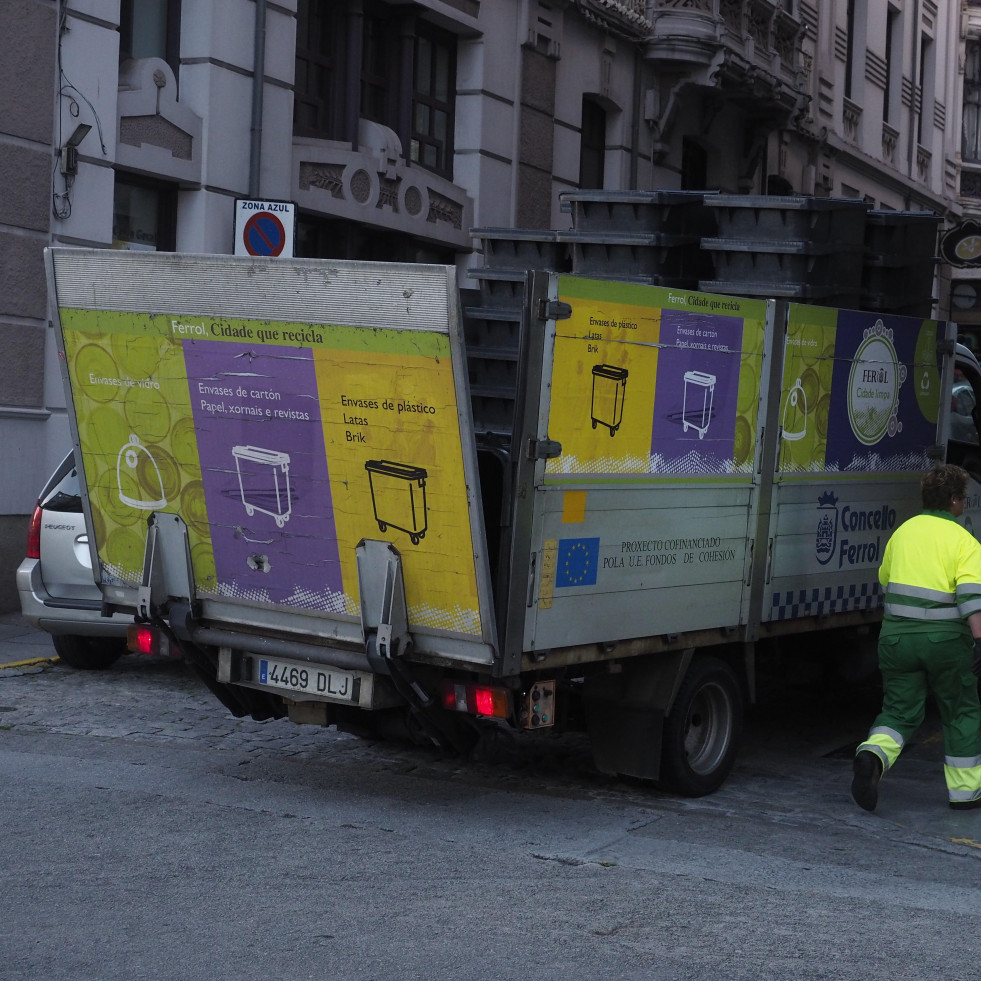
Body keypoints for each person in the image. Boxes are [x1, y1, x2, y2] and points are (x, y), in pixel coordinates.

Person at [852, 464, 981, 812]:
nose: (963, 505)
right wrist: (979, 640)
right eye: (962, 499)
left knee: (898, 711)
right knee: (960, 711)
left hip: (896, 640)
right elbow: (971, 598)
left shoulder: (902, 534)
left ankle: (873, 755)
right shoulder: (964, 541)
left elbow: (886, 581)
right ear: (953, 500)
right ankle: (965, 793)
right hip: (945, 644)